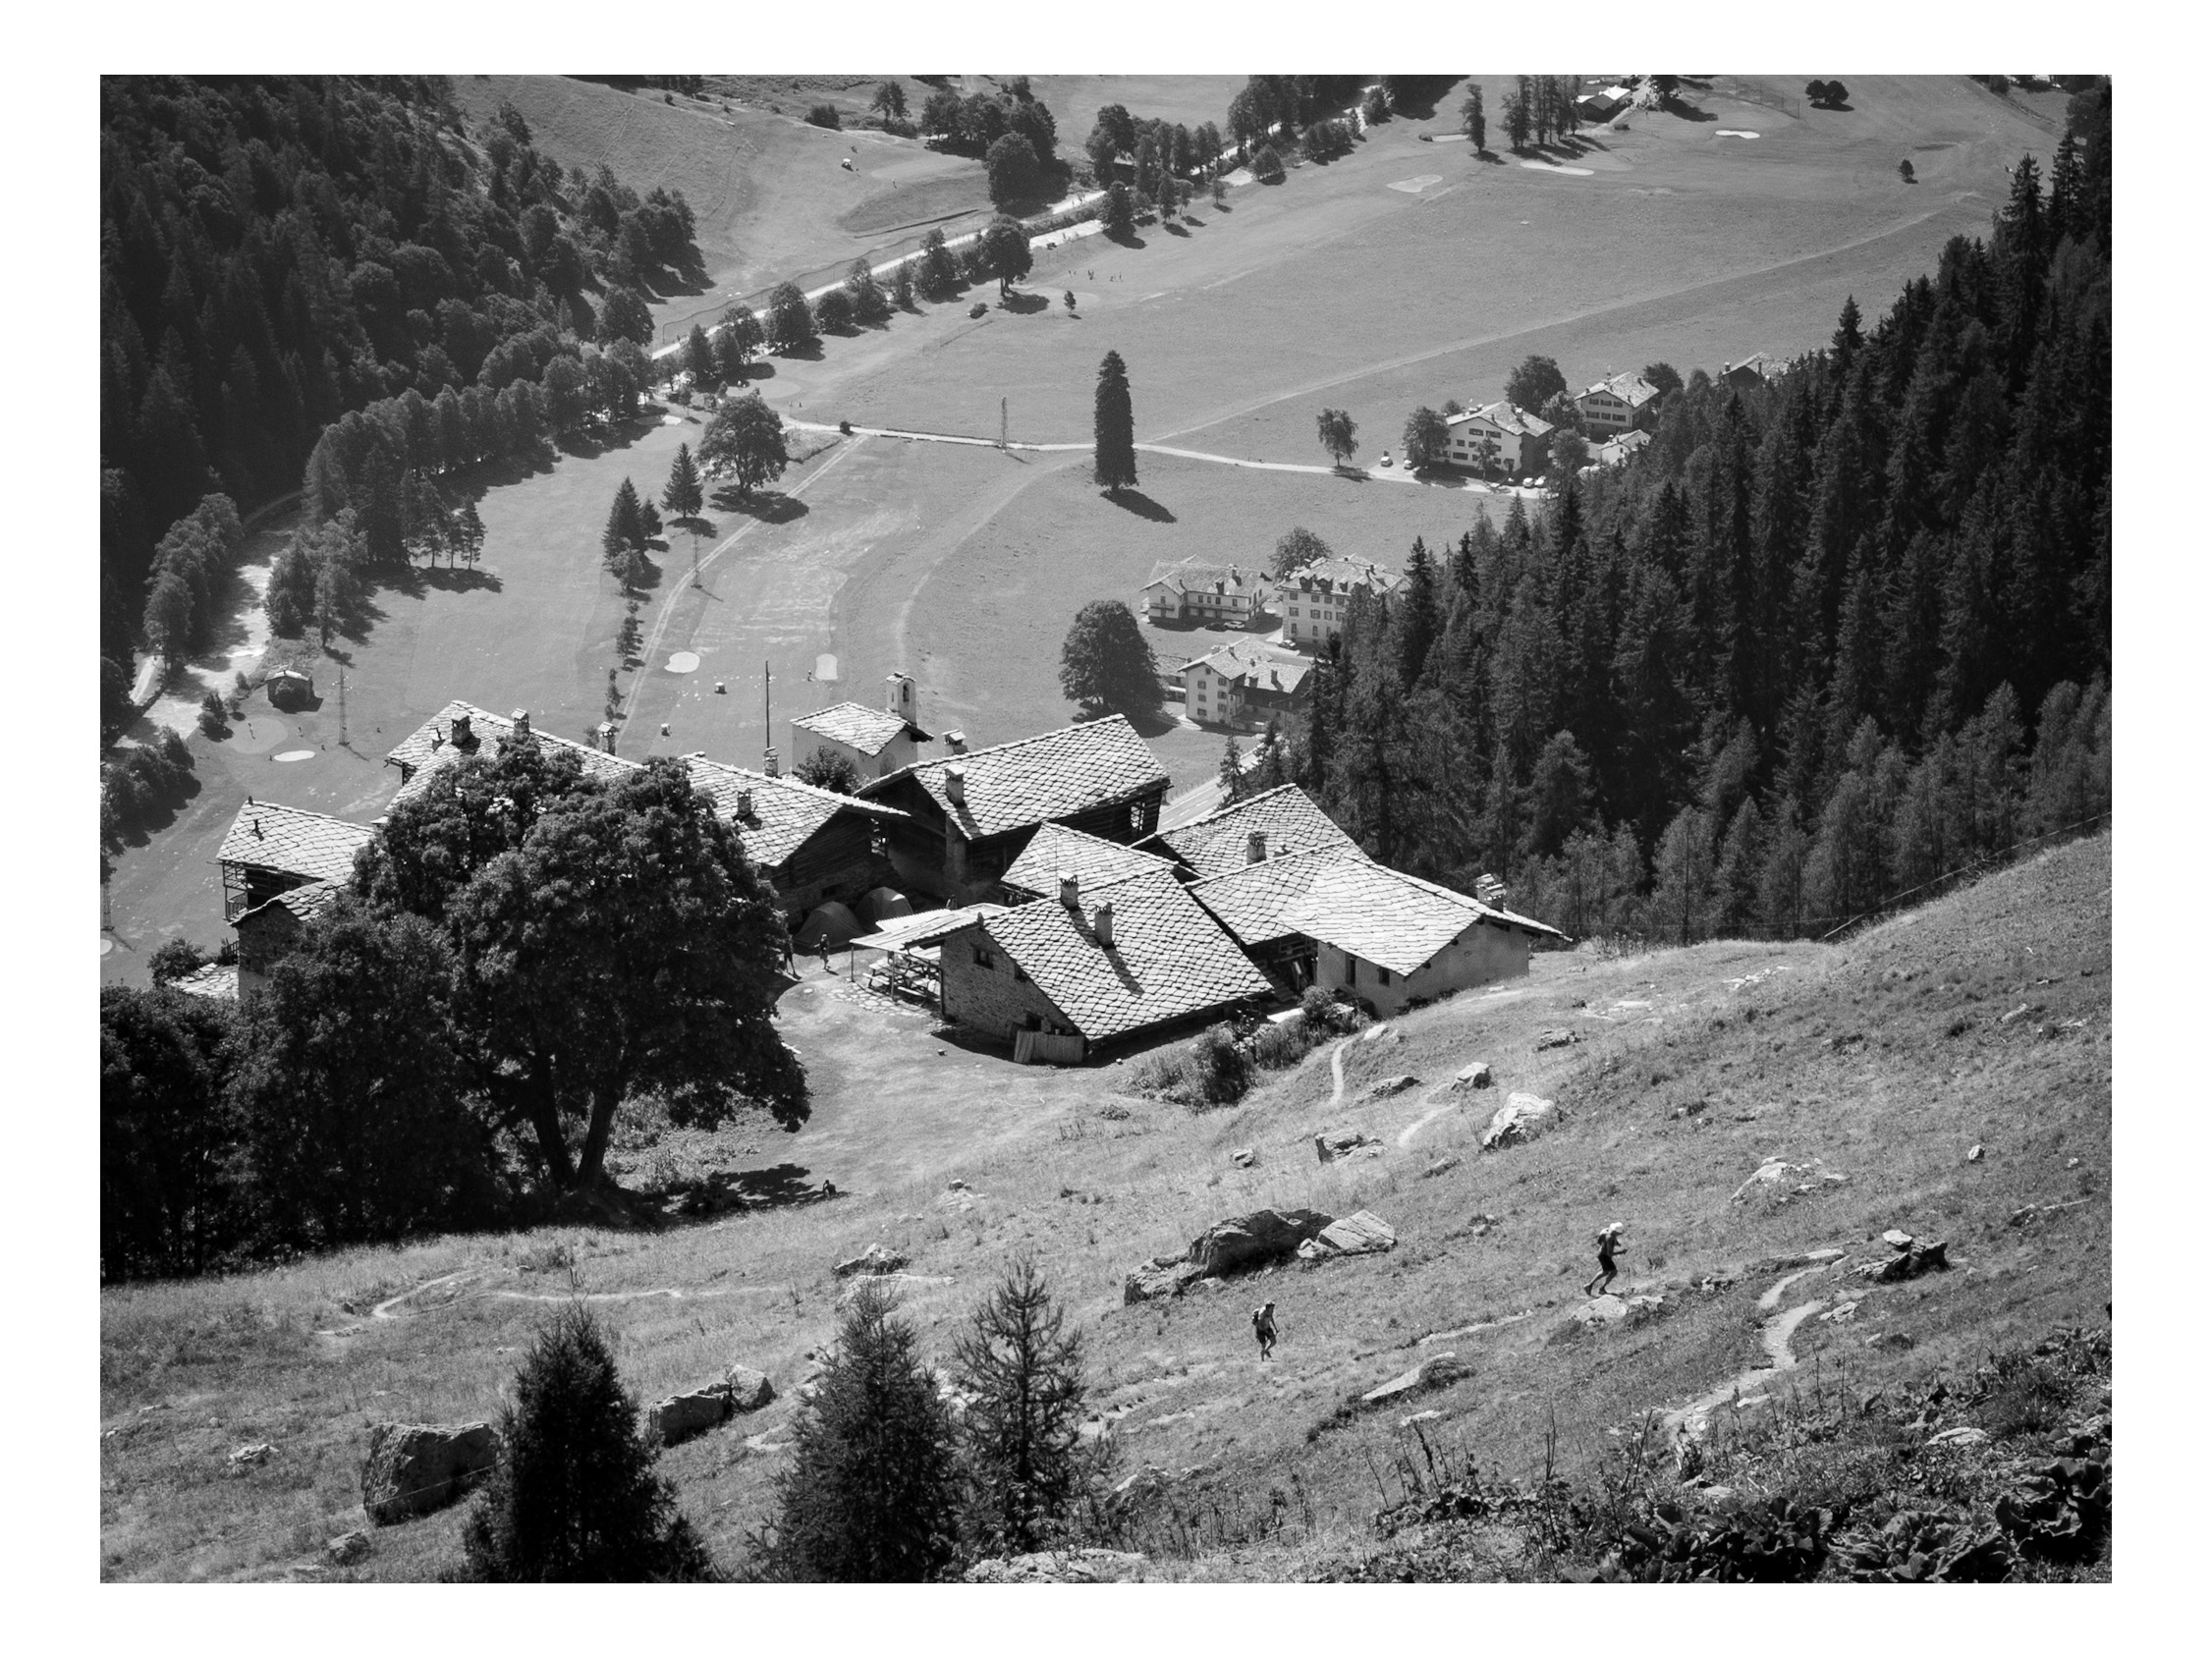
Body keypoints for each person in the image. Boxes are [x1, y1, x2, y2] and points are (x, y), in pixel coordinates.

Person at [1584, 1222, 1624, 1298]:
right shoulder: (1610, 1238)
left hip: (1601, 1254)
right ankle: (1600, 1288)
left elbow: (1600, 1242)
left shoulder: (1606, 1231)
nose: (1619, 1234)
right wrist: (1621, 1252)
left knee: (1605, 1272)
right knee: (1613, 1272)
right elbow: (1609, 1253)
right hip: (1605, 1256)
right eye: (1619, 1233)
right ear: (1615, 1232)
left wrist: (1616, 1244)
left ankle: (1590, 1286)